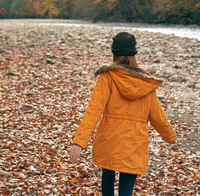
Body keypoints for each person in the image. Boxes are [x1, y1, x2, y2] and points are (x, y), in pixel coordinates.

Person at [69, 31, 177, 196]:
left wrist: (79, 141)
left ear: (113, 53)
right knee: (127, 178)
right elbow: (158, 116)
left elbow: (94, 110)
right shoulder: (145, 82)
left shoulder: (107, 77)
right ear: (134, 53)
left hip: (109, 139)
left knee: (108, 172)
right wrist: (170, 136)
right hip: (134, 143)